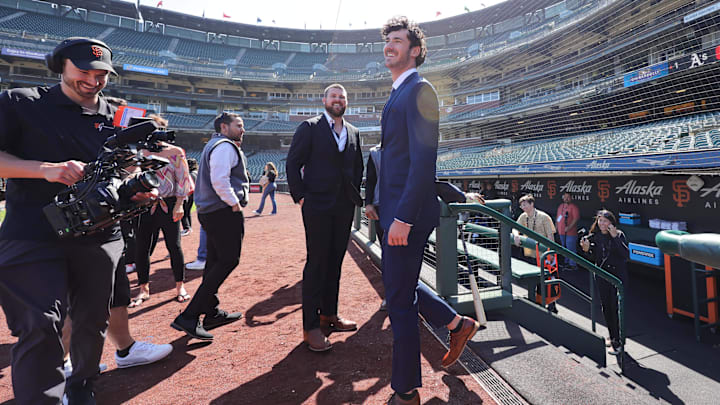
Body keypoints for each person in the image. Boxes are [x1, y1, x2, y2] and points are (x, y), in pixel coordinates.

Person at [0, 37, 154, 403]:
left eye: (101, 73)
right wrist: (46, 170)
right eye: (84, 70)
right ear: (60, 66)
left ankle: (81, 387)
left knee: (91, 321)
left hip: (99, 234)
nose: (93, 79)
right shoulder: (20, 102)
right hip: (33, 231)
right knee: (40, 324)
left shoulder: (120, 116)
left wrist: (133, 189)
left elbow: (122, 172)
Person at [378, 17, 480, 405]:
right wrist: (377, 204)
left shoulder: (420, 90)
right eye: (387, 40)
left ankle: (405, 389)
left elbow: (423, 162)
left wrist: (402, 217)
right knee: (399, 286)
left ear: (415, 50)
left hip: (408, 213)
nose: (390, 45)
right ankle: (457, 323)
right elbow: (395, 159)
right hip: (393, 210)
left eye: (398, 40)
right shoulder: (397, 91)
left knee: (400, 299)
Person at [286, 83, 364, 352]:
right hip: (317, 205)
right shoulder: (309, 127)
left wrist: (354, 197)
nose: (338, 99)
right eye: (334, 96)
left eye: (342, 96)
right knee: (316, 263)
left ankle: (329, 314)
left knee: (335, 262)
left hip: (343, 207)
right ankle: (310, 328)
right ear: (324, 100)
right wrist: (301, 196)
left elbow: (357, 168)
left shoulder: (354, 132)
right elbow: (293, 163)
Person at [171, 113, 247, 340]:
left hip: (211, 212)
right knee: (229, 260)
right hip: (222, 211)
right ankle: (190, 315)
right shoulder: (224, 146)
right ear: (224, 127)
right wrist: (234, 204)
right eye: (239, 125)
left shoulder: (215, 144)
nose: (243, 129)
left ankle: (211, 311)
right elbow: (220, 180)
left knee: (214, 262)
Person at [130, 116, 194, 306]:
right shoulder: (137, 151)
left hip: (169, 204)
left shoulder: (175, 152)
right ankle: (143, 289)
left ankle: (180, 286)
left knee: (174, 246)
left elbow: (183, 180)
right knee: (141, 248)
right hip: (143, 205)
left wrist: (180, 204)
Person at [580, 209, 629, 355]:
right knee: (606, 307)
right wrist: (586, 249)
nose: (602, 223)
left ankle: (618, 341)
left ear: (611, 223)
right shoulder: (594, 236)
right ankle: (612, 335)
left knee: (615, 307)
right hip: (602, 275)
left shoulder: (619, 235)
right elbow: (592, 258)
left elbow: (626, 255)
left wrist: (615, 238)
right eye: (600, 220)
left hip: (617, 276)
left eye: (605, 221)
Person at [556, 192, 580, 270]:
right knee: (564, 247)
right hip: (561, 232)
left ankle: (573, 265)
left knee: (571, 248)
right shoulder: (560, 206)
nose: (566, 199)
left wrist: (569, 227)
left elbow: (576, 218)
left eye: (568, 197)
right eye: (565, 197)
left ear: (571, 198)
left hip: (570, 233)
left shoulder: (573, 207)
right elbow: (558, 217)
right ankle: (566, 263)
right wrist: (556, 227)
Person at [181, 158, 199, 236]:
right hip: (195, 194)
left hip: (189, 194)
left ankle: (186, 228)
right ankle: (189, 227)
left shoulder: (190, 174)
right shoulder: (197, 173)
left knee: (184, 212)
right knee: (188, 211)